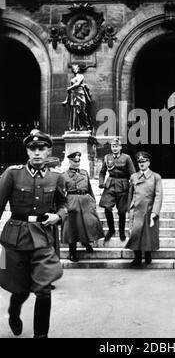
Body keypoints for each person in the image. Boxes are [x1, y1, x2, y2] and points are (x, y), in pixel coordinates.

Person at [0, 130, 67, 338]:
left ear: (49, 151)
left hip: (43, 237)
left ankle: (41, 336)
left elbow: (64, 204)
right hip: (15, 237)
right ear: (27, 152)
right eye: (32, 149)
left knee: (44, 288)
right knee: (19, 288)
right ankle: (13, 312)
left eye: (42, 149)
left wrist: (59, 216)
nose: (37, 153)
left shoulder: (57, 177)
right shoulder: (12, 173)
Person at [61, 152, 104, 262]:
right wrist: (63, 207)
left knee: (88, 224)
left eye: (78, 161)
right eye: (74, 161)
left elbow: (89, 188)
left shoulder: (84, 173)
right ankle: (72, 252)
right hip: (72, 200)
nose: (77, 163)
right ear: (69, 162)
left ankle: (86, 242)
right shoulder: (64, 175)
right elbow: (60, 194)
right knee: (72, 227)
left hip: (85, 200)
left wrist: (93, 201)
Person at [125, 152, 163, 266]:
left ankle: (148, 254)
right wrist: (129, 209)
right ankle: (137, 257)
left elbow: (158, 195)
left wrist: (155, 211)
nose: (141, 164)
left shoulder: (156, 177)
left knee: (148, 234)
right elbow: (130, 194)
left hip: (148, 209)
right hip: (136, 209)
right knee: (135, 233)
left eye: (144, 161)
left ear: (149, 162)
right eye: (139, 162)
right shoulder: (134, 176)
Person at [99, 138, 136, 242]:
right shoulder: (107, 158)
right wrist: (101, 183)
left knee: (122, 211)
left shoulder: (126, 158)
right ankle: (111, 230)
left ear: (120, 147)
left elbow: (132, 173)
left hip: (123, 185)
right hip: (110, 185)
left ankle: (121, 232)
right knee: (107, 208)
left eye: (117, 146)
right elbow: (102, 172)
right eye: (113, 146)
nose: (115, 148)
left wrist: (132, 184)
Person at [44, 156, 63, 290]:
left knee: (52, 250)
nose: (58, 170)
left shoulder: (56, 181)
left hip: (52, 220)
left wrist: (59, 215)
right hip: (42, 221)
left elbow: (62, 201)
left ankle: (47, 279)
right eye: (55, 167)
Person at [62, 64, 92, 132]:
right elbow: (69, 91)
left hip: (80, 94)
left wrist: (70, 88)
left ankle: (88, 126)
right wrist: (66, 100)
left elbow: (78, 83)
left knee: (82, 110)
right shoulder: (72, 79)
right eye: (73, 68)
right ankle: (75, 127)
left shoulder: (81, 76)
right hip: (73, 95)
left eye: (75, 68)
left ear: (78, 68)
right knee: (74, 111)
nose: (74, 69)